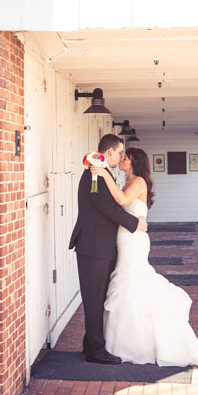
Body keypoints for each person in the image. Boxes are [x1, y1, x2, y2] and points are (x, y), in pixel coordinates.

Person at [90, 147, 198, 367]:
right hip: (125, 238)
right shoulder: (126, 180)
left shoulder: (138, 182)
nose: (122, 159)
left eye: (126, 157)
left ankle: (135, 344)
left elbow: (123, 200)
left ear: (134, 162)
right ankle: (123, 341)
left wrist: (103, 173)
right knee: (126, 283)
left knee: (131, 282)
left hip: (134, 240)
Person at [68, 134, 148, 365]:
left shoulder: (101, 173)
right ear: (109, 152)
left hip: (98, 246)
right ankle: (96, 350)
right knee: (94, 299)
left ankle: (90, 342)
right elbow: (107, 207)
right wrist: (135, 224)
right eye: (120, 152)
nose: (121, 156)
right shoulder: (96, 174)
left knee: (98, 297)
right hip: (94, 246)